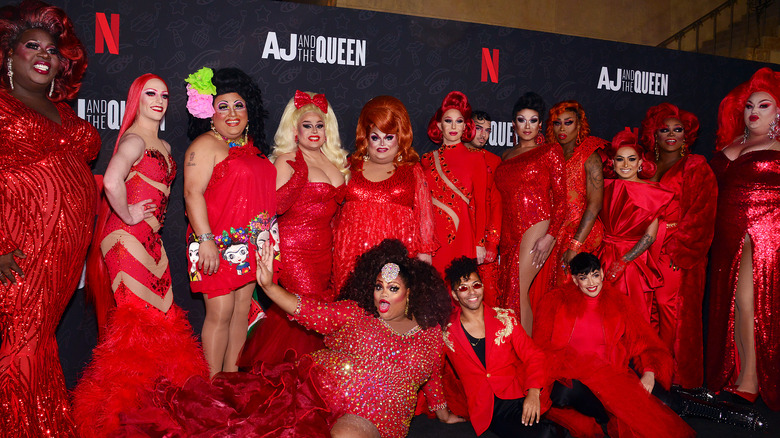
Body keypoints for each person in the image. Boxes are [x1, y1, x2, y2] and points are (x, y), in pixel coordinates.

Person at [115, 239, 462, 438]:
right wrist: (269, 287)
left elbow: (432, 378)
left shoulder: (429, 336)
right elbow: (305, 309)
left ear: (411, 293)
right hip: (309, 398)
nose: (383, 296)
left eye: (393, 289)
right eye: (378, 287)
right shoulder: (355, 315)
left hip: (374, 422)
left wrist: (443, 413)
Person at [72, 74, 209, 437]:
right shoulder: (133, 139)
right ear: (137, 97)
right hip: (126, 237)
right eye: (151, 93)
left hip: (151, 240)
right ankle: (112, 420)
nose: (159, 100)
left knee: (161, 323)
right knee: (136, 325)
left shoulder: (162, 144)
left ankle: (150, 410)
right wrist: (129, 214)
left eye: (164, 95)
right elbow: (112, 180)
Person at [0, 2, 100, 435]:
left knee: (38, 347)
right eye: (31, 45)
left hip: (60, 264)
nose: (45, 54)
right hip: (17, 257)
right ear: (8, 53)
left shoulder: (67, 116)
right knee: (16, 352)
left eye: (52, 50)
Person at [534, 252, 764, 436]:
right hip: (579, 381)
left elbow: (645, 342)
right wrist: (536, 389)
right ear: (574, 279)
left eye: (595, 274)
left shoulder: (618, 303)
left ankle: (725, 413)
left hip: (614, 377)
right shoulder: (555, 302)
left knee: (664, 404)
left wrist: (650, 372)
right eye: (583, 277)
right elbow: (541, 347)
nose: (591, 282)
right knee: (564, 393)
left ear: (603, 273)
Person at [239, 90, 348, 365]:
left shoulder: (335, 162)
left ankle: (318, 383)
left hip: (326, 253)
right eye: (307, 125)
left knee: (321, 312)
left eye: (319, 125)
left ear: (327, 130)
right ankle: (297, 384)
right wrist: (298, 176)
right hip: (295, 252)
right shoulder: (286, 160)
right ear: (295, 130)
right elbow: (273, 208)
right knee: (304, 312)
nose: (314, 131)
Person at [182, 66, 276, 376]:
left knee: (240, 314)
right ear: (210, 112)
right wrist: (206, 242)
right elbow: (192, 194)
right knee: (220, 313)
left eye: (239, 105)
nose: (232, 113)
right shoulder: (204, 145)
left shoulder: (253, 150)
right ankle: (208, 387)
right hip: (214, 244)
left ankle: (231, 384)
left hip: (248, 246)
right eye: (223, 106)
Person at [707, 67, 780, 410]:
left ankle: (751, 378)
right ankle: (736, 373)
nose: (754, 111)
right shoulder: (733, 143)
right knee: (732, 303)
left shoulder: (778, 144)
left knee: (751, 304)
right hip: (726, 232)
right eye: (750, 105)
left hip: (765, 232)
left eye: (764, 105)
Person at [641, 103, 717, 389]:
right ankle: (648, 372)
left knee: (669, 309)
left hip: (675, 250)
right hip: (645, 248)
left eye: (678, 129)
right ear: (654, 134)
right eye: (664, 129)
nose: (671, 134)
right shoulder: (645, 165)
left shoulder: (697, 166)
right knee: (645, 310)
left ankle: (671, 377)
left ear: (687, 135)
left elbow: (703, 213)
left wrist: (682, 251)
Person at [442, 256, 562, 438]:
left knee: (572, 390)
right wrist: (442, 415)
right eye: (463, 288)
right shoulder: (445, 332)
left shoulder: (505, 318)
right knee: (545, 433)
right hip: (490, 410)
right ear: (454, 295)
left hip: (518, 390)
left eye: (476, 285)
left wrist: (533, 392)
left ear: (482, 287)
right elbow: (433, 373)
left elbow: (534, 355)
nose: (472, 292)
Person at [330, 95, 436, 292]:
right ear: (365, 136)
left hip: (394, 264)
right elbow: (332, 214)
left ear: (400, 136)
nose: (382, 144)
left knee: (389, 313)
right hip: (349, 261)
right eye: (375, 137)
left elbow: (424, 221)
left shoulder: (412, 171)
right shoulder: (349, 167)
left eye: (389, 137)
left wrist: (424, 269)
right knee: (352, 314)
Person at [494, 92, 565, 335]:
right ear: (514, 124)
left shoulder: (550, 152)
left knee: (517, 288)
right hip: (508, 230)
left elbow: (563, 200)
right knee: (507, 291)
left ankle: (524, 358)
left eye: (533, 120)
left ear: (540, 124)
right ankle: (512, 351)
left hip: (537, 224)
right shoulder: (505, 156)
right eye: (522, 120)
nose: (527, 126)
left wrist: (551, 236)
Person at [596, 130, 672, 322]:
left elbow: (650, 236)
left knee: (632, 318)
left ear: (640, 163)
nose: (626, 164)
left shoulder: (651, 192)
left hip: (632, 263)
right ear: (612, 163)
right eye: (620, 159)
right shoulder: (605, 187)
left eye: (631, 159)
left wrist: (624, 261)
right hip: (603, 256)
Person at [421, 91, 491, 274]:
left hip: (463, 235)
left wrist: (480, 243)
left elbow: (481, 205)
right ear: (439, 125)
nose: (453, 126)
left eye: (459, 121)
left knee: (460, 289)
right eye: (448, 121)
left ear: (466, 126)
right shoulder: (427, 159)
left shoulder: (476, 159)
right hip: (433, 237)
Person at [545, 100, 605, 287]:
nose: (562, 128)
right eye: (557, 123)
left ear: (579, 125)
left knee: (572, 289)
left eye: (568, 122)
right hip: (555, 233)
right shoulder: (550, 155)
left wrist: (575, 245)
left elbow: (595, 205)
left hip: (581, 233)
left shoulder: (590, 156)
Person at [465, 110, 502, 307]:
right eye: (478, 128)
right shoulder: (451, 157)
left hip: (486, 239)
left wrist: (492, 243)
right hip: (458, 237)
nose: (483, 135)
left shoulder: (494, 161)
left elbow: (496, 203)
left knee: (489, 297)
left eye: (487, 130)